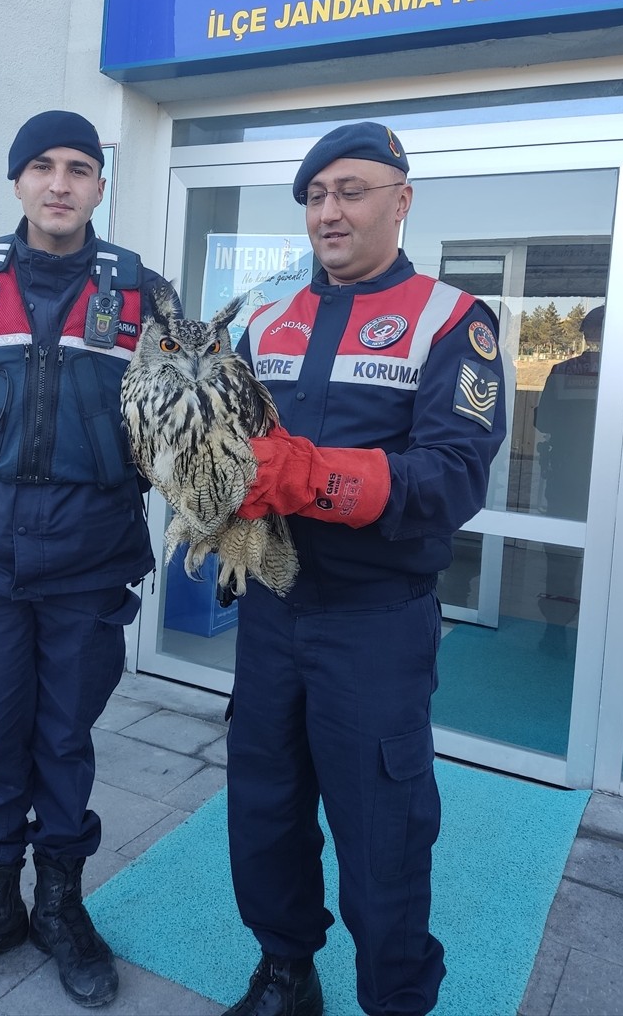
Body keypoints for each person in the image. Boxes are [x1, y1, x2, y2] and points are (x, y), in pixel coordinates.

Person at [223, 122, 507, 1016]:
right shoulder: (262, 317)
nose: (330, 211)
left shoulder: (450, 320)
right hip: (271, 613)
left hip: (375, 624)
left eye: (351, 191)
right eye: (315, 196)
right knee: (263, 808)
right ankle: (285, 972)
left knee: (384, 833)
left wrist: (309, 476)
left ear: (401, 200)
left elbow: (452, 477)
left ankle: (395, 999)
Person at [0, 110, 177, 1008]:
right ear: (18, 180)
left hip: (89, 563)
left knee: (63, 737)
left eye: (80, 168)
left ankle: (59, 905)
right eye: (44, 166)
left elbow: (171, 424)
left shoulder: (145, 296)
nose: (60, 183)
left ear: (100, 186)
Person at [532, 305, 604, 655]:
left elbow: (544, 421)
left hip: (567, 475)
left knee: (561, 556)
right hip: (619, 484)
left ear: (586, 334)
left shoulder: (562, 371)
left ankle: (555, 630)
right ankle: (617, 639)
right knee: (615, 557)